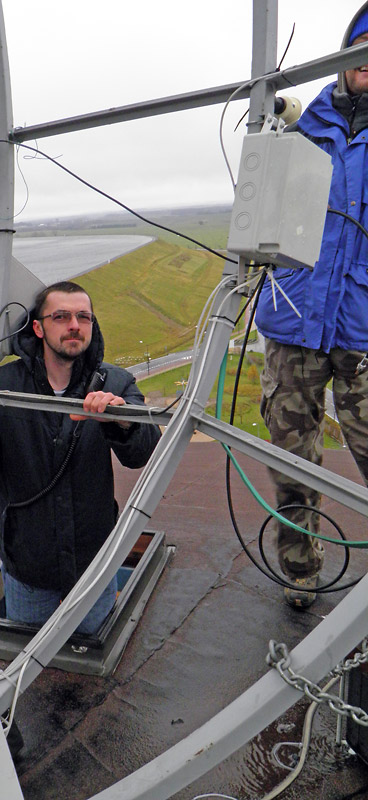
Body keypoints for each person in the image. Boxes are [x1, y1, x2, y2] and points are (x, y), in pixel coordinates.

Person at [0, 280, 161, 633]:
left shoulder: (114, 383)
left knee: (90, 650)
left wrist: (123, 420)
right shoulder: (2, 386)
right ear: (38, 328)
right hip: (28, 568)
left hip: (93, 562)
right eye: (61, 316)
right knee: (28, 654)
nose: (75, 325)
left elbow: (144, 451)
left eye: (84, 317)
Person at [255, 4, 368, 609]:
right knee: (292, 464)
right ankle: (300, 570)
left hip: (362, 331)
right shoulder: (300, 128)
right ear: (346, 53)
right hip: (294, 321)